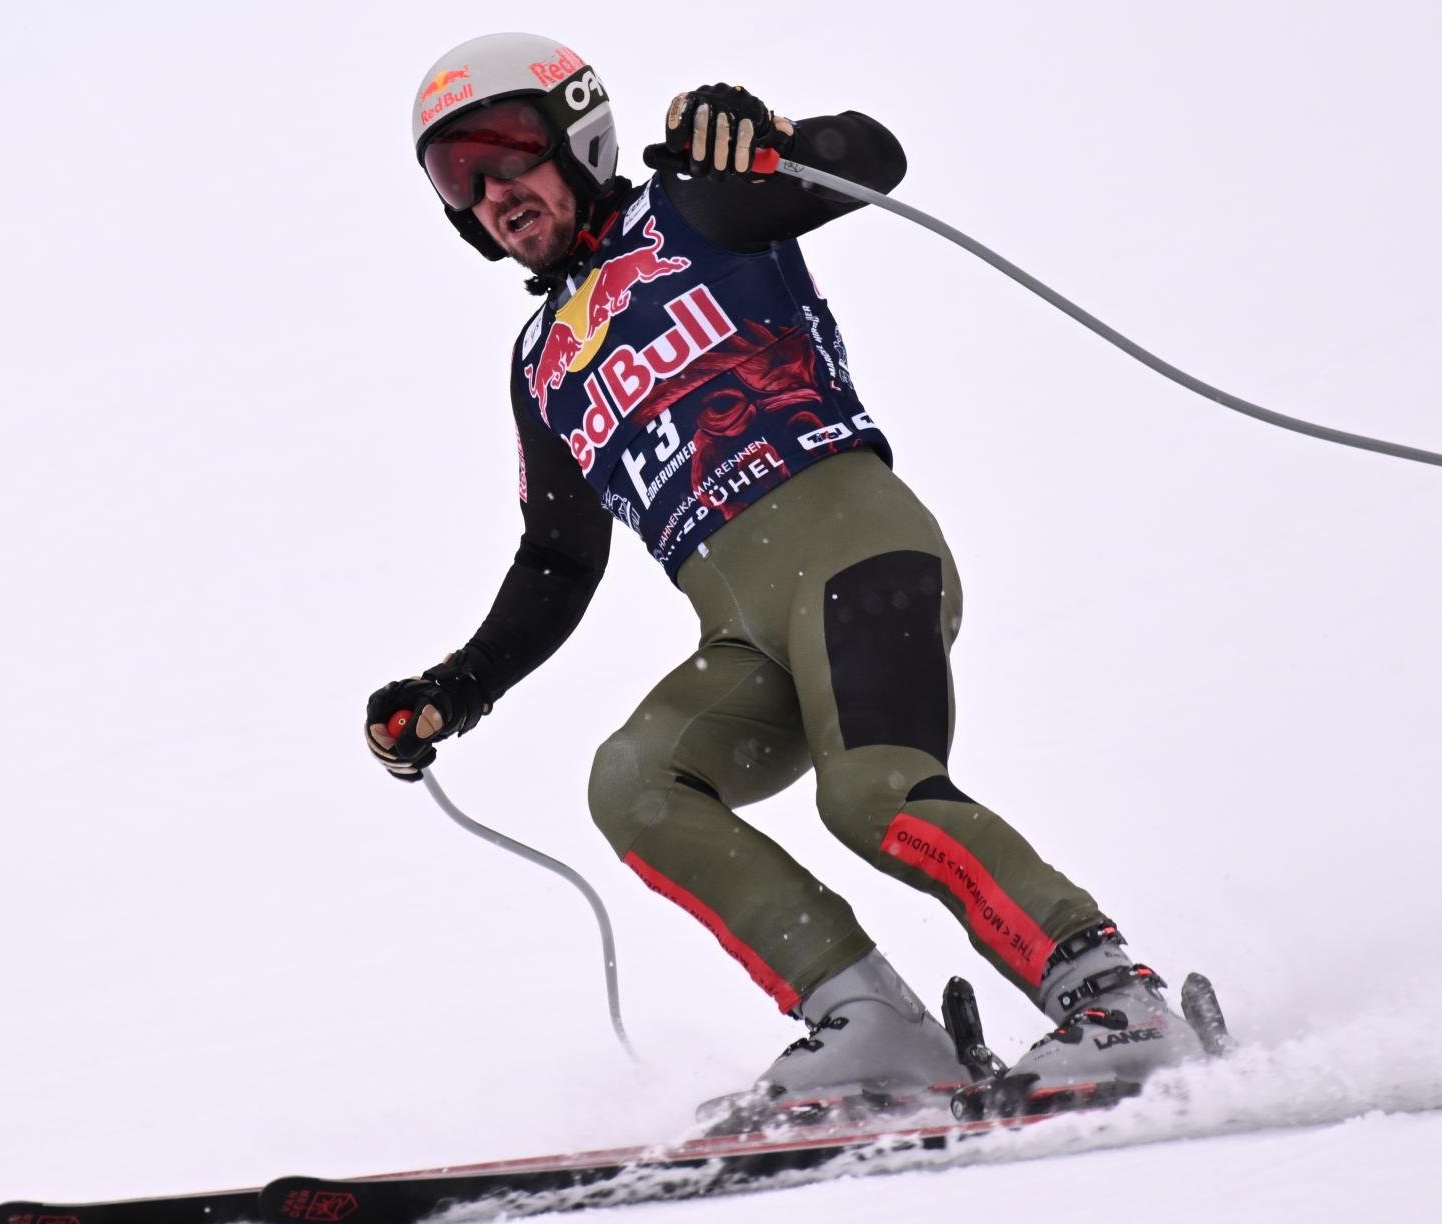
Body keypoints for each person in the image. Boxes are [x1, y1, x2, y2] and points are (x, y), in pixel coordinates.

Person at [367, 32, 1204, 1114]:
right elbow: (557, 556)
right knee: (634, 783)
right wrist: (456, 687)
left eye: (505, 149)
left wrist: (760, 139)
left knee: (870, 792)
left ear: (578, 134)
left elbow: (874, 157)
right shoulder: (541, 364)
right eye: (454, 176)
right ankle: (871, 1021)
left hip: (853, 548)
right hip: (737, 628)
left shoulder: (690, 209)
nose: (490, 190)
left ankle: (1112, 997)